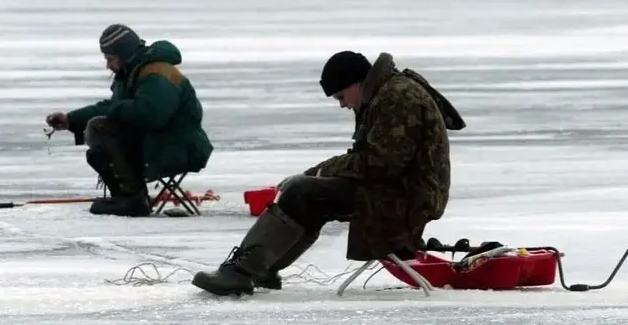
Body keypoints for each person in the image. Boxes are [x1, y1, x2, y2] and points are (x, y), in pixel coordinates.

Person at [191, 51, 465, 296]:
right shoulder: (385, 93)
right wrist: (317, 174)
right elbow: (375, 160)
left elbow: (379, 163)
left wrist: (318, 173)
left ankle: (242, 271)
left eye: (340, 96)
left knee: (302, 192)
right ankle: (261, 268)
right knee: (308, 194)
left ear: (356, 83)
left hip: (405, 197)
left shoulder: (396, 98)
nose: (342, 105)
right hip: (400, 188)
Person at [45, 24, 214, 217]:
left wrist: (112, 109)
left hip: (178, 148)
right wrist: (71, 119)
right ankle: (125, 196)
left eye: (110, 59)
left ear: (124, 54)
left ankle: (132, 197)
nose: (107, 65)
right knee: (98, 131)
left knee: (100, 128)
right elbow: (115, 107)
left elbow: (151, 115)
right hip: (157, 142)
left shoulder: (158, 73)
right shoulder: (131, 72)